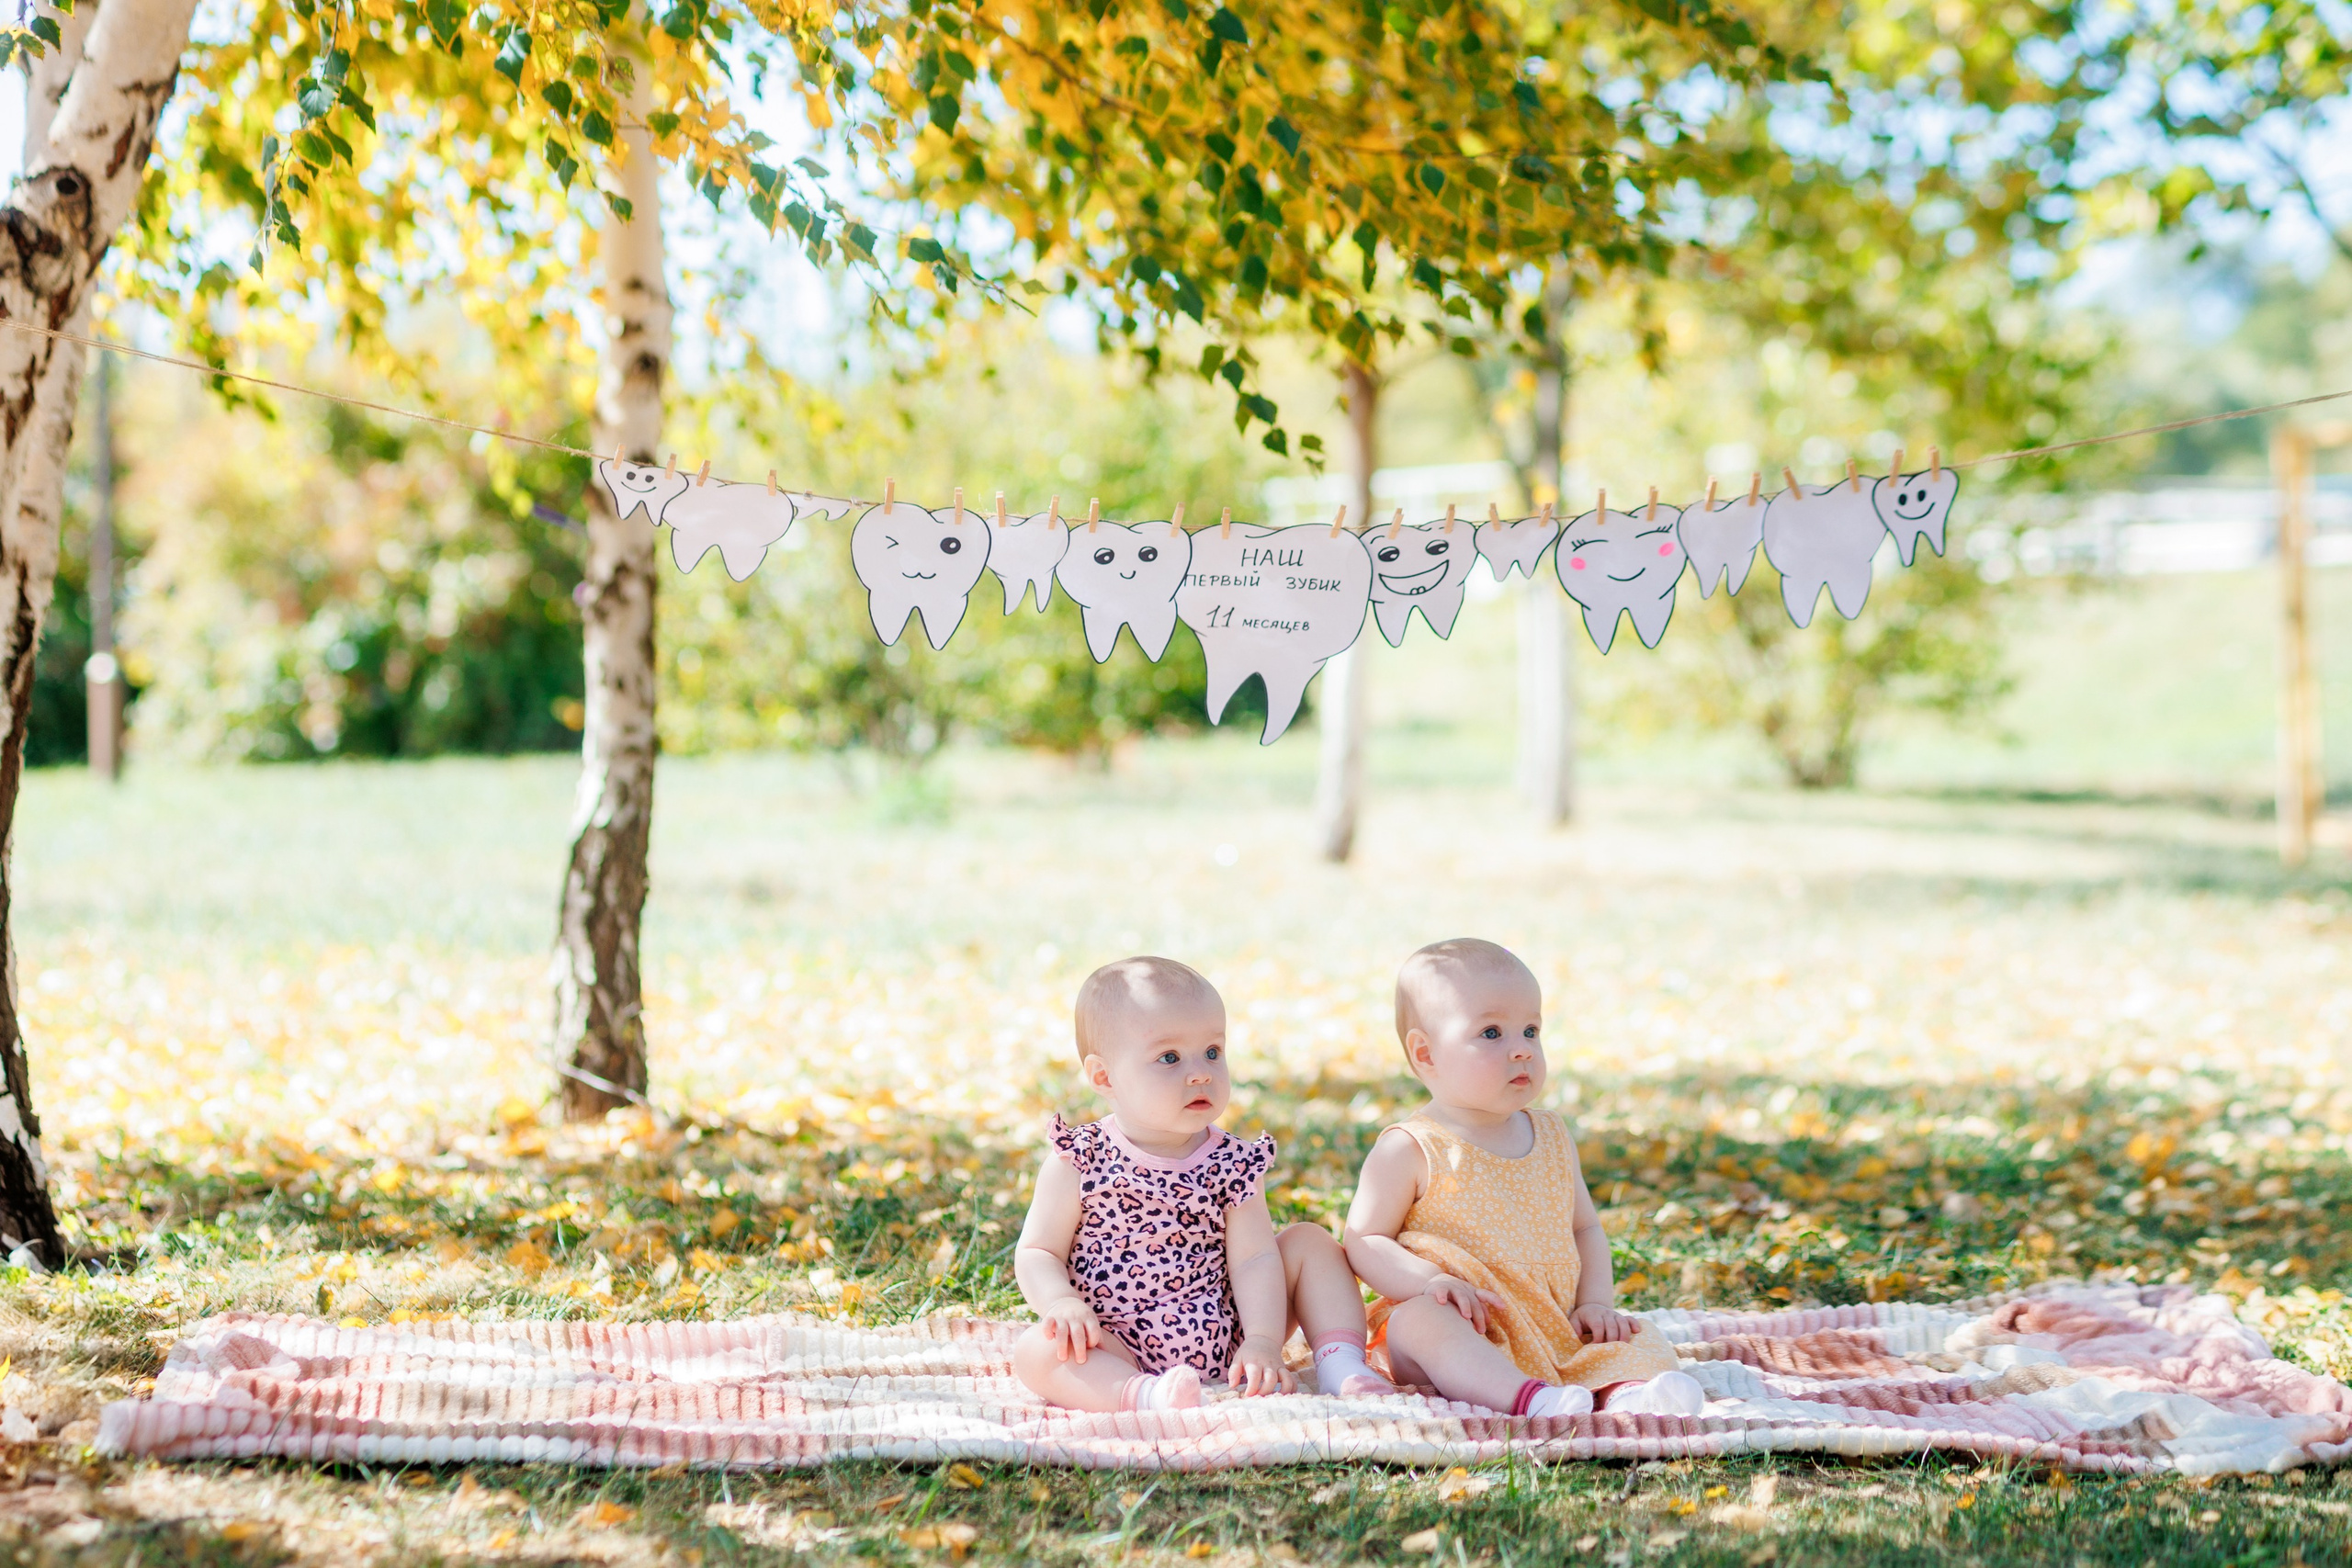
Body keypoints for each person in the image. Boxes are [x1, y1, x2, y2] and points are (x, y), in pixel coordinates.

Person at [1343, 937, 1706, 1419]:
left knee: (1635, 1333)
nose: (1522, 1051)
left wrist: (1595, 1303)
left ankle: (1629, 1394)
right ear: (1426, 1054)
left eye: (1531, 1031)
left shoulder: (1552, 1135)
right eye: (1492, 1033)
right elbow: (1364, 1238)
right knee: (1420, 1323)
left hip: (1554, 1326)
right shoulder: (1411, 1147)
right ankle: (1531, 1400)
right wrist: (1431, 1281)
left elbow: (1585, 1228)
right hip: (1467, 1322)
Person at [1012, 955, 1395, 1412]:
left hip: (1230, 1337)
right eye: (1169, 1058)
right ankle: (1146, 1395)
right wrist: (1060, 1303)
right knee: (1037, 1351)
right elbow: (1038, 1251)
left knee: (1311, 1242)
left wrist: (1262, 1340)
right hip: (1115, 1342)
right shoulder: (1080, 1157)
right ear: (1104, 1076)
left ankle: (1341, 1364)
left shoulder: (1233, 1162)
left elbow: (1254, 1258)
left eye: (1213, 1051)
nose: (1201, 1073)